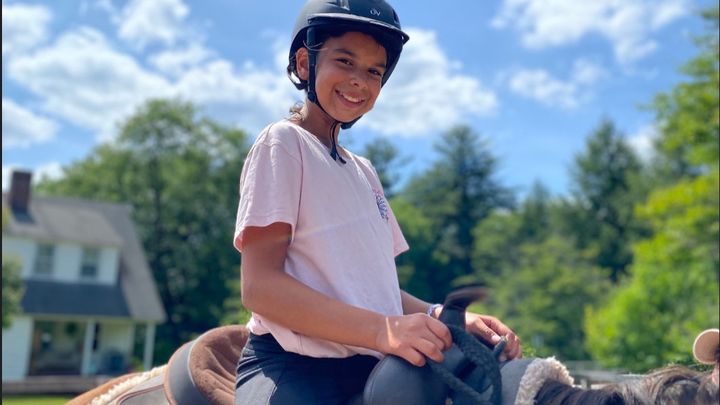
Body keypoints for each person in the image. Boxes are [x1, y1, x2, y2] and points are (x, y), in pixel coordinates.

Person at [232, 0, 521, 403]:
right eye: (345, 61)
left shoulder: (364, 171)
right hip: (293, 367)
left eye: (374, 71)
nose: (359, 81)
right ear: (304, 63)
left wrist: (439, 315)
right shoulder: (283, 143)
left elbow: (373, 291)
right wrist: (383, 330)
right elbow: (260, 287)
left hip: (367, 360)